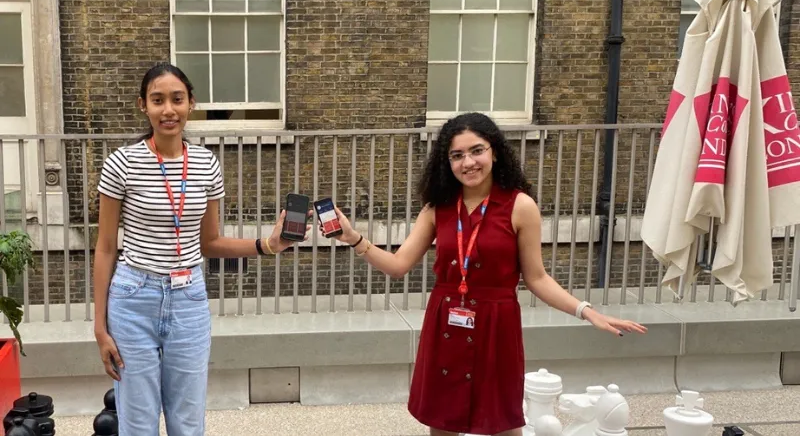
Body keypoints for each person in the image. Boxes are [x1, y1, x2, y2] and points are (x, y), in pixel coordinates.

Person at [327, 112, 648, 436]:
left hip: (497, 324)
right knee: (443, 420)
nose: (468, 162)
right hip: (446, 322)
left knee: (502, 422)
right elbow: (398, 265)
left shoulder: (520, 206)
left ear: (494, 151)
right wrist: (354, 238)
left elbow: (536, 278)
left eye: (476, 150)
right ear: (447, 162)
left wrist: (587, 311)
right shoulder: (437, 207)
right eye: (457, 155)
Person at [92, 62, 309, 436]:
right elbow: (106, 247)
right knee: (137, 422)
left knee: (188, 421)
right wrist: (99, 326)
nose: (168, 110)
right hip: (132, 298)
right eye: (157, 100)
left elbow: (210, 242)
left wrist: (267, 245)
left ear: (191, 103)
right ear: (143, 105)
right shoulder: (122, 163)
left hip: (188, 300)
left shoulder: (207, 164)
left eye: (177, 99)